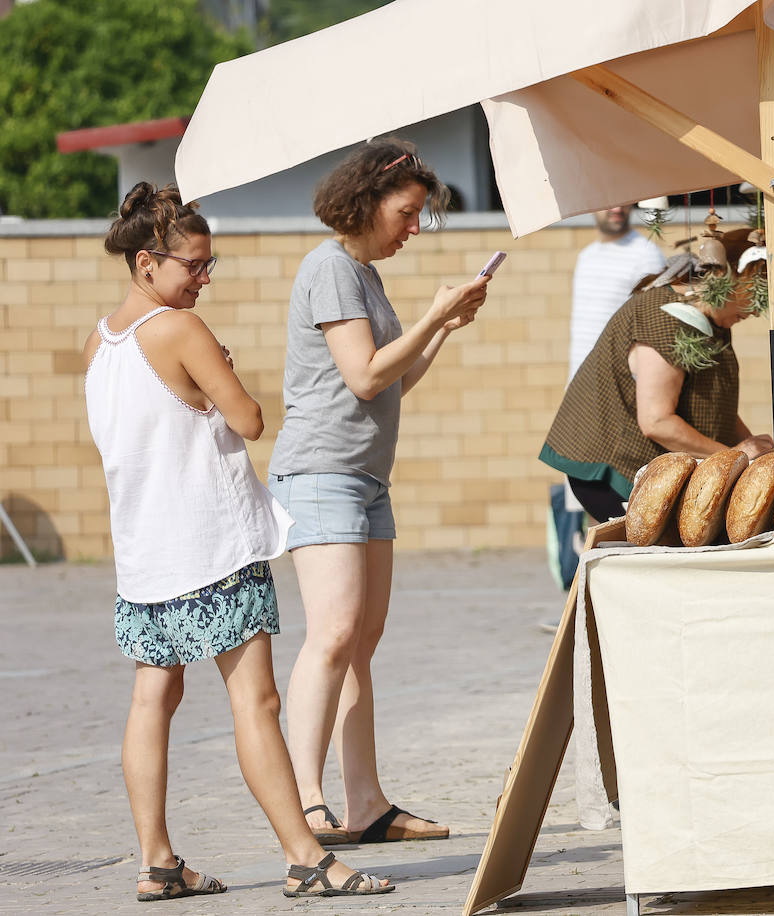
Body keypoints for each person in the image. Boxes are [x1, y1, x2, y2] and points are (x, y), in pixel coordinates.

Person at [85, 183, 392, 900]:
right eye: (192, 265)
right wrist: (219, 366)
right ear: (146, 263)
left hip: (145, 556)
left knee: (152, 699)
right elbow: (250, 420)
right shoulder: (179, 330)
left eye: (208, 263)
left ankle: (157, 863)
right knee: (257, 702)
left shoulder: (101, 343)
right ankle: (306, 858)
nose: (204, 277)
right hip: (213, 545)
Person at [268, 139, 489, 846]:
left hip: (363, 477)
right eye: (407, 213)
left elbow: (393, 381)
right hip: (320, 473)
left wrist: (442, 328)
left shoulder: (363, 275)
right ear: (366, 202)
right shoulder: (330, 268)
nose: (414, 228)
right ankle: (306, 802)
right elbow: (363, 375)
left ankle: (365, 805)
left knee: (361, 641)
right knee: (333, 634)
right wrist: (430, 316)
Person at [539, 232, 772, 524]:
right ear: (731, 280)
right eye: (756, 293)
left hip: (661, 467)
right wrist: (734, 458)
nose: (757, 309)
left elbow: (714, 402)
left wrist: (753, 450)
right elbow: (657, 422)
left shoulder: (714, 317)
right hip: (615, 469)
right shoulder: (665, 316)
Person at [549, 206, 667, 590]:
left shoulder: (645, 253)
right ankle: (589, 601)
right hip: (582, 397)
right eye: (609, 202)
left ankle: (619, 595)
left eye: (624, 202)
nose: (617, 208)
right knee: (588, 513)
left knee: (618, 513)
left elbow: (654, 326)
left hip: (620, 401)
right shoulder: (587, 256)